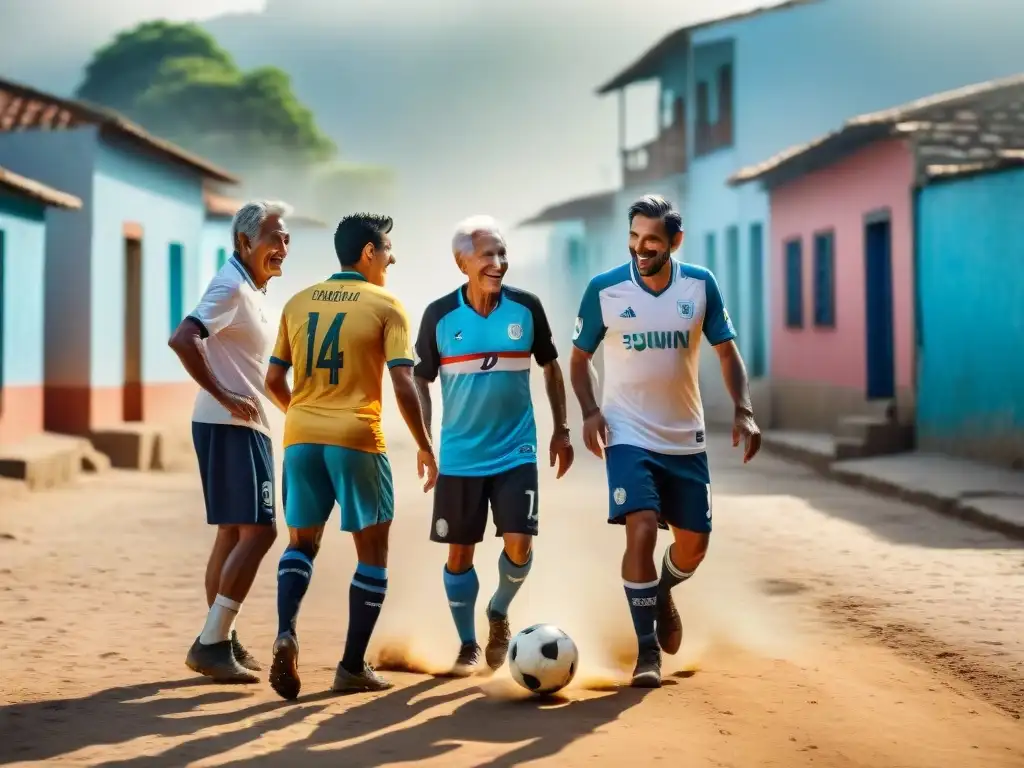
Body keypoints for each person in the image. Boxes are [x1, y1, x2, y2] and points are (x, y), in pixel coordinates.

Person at [568, 195, 762, 688]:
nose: (640, 247)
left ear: (675, 241)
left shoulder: (700, 285)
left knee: (694, 545)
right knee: (643, 528)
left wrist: (744, 409)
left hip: (685, 438)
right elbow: (579, 358)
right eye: (634, 237)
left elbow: (726, 352)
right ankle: (646, 653)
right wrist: (590, 410)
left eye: (652, 239)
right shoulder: (604, 290)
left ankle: (665, 592)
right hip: (627, 433)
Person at [264, 212, 438, 700]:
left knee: (300, 543)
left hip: (301, 437)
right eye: (387, 250)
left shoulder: (297, 303)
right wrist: (425, 445)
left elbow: (273, 382)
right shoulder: (386, 305)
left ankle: (285, 631)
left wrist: (303, 412)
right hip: (357, 439)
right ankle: (351, 666)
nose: (392, 259)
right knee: (374, 554)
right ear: (368, 252)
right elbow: (404, 382)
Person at [414, 215, 575, 677]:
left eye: (503, 253)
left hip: (516, 451)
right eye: (488, 254)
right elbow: (419, 381)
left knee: (519, 544)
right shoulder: (439, 316)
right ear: (462, 261)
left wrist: (560, 429)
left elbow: (551, 366)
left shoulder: (526, 309)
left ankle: (499, 612)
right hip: (461, 457)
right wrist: (426, 444)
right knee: (459, 554)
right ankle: (467, 644)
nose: (499, 263)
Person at [169, 200, 290, 683]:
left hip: (231, 423)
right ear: (245, 242)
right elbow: (184, 337)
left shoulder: (251, 287)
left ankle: (222, 636)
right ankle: (212, 641)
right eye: (273, 239)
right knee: (261, 532)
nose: (281, 248)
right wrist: (223, 393)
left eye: (286, 240)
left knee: (232, 533)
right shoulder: (232, 285)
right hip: (231, 424)